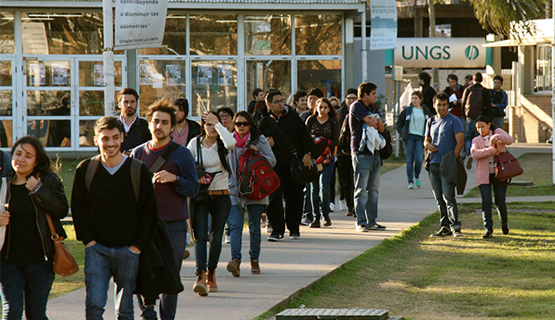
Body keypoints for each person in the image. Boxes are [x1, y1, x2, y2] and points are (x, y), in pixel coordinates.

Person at [72, 117, 158, 319]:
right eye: (105, 138)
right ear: (96, 140)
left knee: (125, 311)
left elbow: (149, 212)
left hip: (129, 249)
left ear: (122, 138)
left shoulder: (138, 170)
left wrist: (137, 246)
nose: (110, 143)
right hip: (96, 249)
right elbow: (78, 208)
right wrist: (89, 241)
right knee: (94, 306)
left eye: (115, 138)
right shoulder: (86, 169)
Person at [132, 99, 199, 319]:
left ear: (172, 127)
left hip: (174, 225)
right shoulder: (137, 154)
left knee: (170, 277)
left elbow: (193, 188)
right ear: (149, 125)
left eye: (164, 122)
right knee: (143, 272)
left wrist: (175, 178)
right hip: (144, 226)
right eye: (155, 121)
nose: (159, 126)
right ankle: (147, 313)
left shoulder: (182, 154)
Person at [0, 136, 68, 320]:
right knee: (11, 313)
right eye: (18, 153)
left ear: (36, 161)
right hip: (7, 262)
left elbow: (61, 210)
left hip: (40, 261)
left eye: (28, 156)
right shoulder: (3, 182)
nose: (21, 159)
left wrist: (39, 190)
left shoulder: (48, 180)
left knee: (36, 314)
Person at [187, 111, 235, 296]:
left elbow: (232, 142)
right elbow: (187, 162)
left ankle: (212, 273)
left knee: (216, 237)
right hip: (201, 196)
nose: (212, 128)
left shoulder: (224, 142)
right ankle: (200, 274)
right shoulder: (195, 143)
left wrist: (219, 125)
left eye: (215, 124)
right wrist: (198, 174)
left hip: (221, 195)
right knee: (200, 236)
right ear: (202, 126)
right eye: (208, 124)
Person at [258, 89, 314, 241]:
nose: (281, 104)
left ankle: (294, 228)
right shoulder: (263, 122)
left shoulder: (293, 118)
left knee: (294, 197)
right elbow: (256, 144)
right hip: (273, 166)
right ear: (268, 104)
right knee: (274, 198)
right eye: (276, 101)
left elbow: (306, 138)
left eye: (282, 100)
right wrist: (266, 144)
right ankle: (277, 229)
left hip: (292, 164)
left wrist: (308, 153)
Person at [226, 111, 276, 277]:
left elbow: (273, 160)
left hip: (256, 190)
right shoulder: (228, 141)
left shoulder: (259, 139)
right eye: (238, 123)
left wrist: (258, 154)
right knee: (235, 226)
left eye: (244, 124)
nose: (241, 127)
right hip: (234, 189)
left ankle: (254, 259)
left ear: (250, 125)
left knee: (255, 227)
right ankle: (236, 260)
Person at [425, 93, 465, 238]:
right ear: (434, 105)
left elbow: (460, 142)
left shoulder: (454, 121)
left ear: (447, 105)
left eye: (444, 104)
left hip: (447, 165)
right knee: (439, 198)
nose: (441, 108)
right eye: (438, 105)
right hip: (433, 163)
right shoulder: (431, 121)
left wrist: (451, 160)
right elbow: (426, 140)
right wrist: (428, 145)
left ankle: (456, 227)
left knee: (449, 197)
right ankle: (444, 227)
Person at [349, 82, 386, 232]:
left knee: (374, 190)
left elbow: (381, 127)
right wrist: (374, 120)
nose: (375, 96)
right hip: (361, 153)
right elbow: (372, 122)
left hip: (374, 153)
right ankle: (360, 221)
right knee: (361, 190)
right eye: (373, 93)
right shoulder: (357, 106)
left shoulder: (373, 107)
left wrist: (374, 120)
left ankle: (372, 221)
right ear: (364, 94)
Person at [470, 115, 512, 239]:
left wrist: (498, 137)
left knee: (500, 201)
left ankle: (504, 223)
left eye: (483, 127)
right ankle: (488, 229)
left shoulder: (497, 132)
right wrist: (489, 151)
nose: (481, 130)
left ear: (489, 124)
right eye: (478, 127)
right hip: (484, 174)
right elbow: (474, 153)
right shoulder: (476, 140)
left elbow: (509, 140)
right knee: (486, 201)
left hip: (500, 173)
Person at [305, 98, 339, 227]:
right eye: (320, 107)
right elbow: (305, 138)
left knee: (324, 186)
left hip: (327, 158)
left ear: (329, 109)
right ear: (316, 108)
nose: (323, 110)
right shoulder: (311, 120)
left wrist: (324, 142)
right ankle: (315, 217)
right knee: (313, 188)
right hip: (313, 159)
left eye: (325, 107)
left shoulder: (332, 121)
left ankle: (325, 214)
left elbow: (336, 140)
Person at [396, 91, 433, 189]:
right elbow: (399, 123)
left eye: (416, 98)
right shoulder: (408, 110)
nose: (414, 100)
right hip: (409, 137)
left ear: (420, 99)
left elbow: (430, 123)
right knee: (409, 160)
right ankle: (410, 181)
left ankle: (416, 175)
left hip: (421, 137)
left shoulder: (425, 110)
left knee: (419, 159)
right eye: (412, 98)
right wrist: (402, 132)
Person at [461, 72, 491, 169]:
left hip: (469, 117)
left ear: (473, 80)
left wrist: (465, 115)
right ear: (481, 80)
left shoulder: (468, 89)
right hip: (480, 118)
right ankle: (476, 155)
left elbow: (463, 103)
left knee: (468, 137)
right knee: (478, 138)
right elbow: (488, 105)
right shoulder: (484, 91)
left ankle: (469, 154)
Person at [336, 89, 357, 216]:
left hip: (356, 151)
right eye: (349, 98)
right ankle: (350, 205)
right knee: (345, 180)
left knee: (356, 180)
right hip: (342, 152)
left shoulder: (360, 112)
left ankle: (355, 205)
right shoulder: (339, 114)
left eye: (354, 98)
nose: (351, 101)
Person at [118, 88, 152, 154]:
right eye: (126, 102)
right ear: (119, 104)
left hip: (138, 163)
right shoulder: (113, 125)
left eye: (132, 102)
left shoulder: (144, 125)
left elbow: (150, 149)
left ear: (137, 103)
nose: (129, 105)